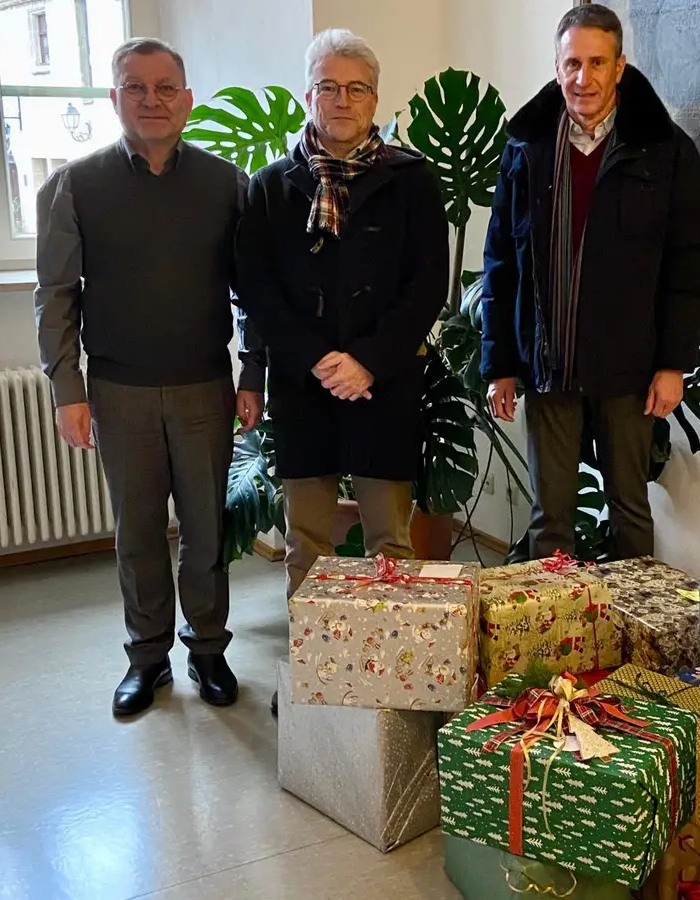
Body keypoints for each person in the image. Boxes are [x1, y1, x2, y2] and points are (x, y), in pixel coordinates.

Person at [36, 38, 259, 718]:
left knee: (205, 529)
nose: (153, 100)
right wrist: (67, 391)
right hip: (118, 391)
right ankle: (147, 659)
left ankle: (208, 650)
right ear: (114, 99)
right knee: (136, 532)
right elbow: (56, 295)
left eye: (166, 88)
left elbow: (251, 293)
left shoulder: (228, 185)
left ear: (187, 100)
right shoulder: (76, 185)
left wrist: (252, 373)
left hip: (203, 387)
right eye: (137, 87)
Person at [234, 28, 449, 715]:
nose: (342, 99)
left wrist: (367, 363)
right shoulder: (271, 187)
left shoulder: (412, 179)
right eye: (328, 85)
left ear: (375, 99)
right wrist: (315, 359)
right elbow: (258, 289)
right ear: (309, 94)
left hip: (383, 386)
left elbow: (426, 287)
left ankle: (395, 672)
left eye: (356, 87)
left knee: (390, 538)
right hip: (305, 390)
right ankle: (314, 674)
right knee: (309, 543)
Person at [479, 4, 700, 561]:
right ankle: (552, 642)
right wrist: (500, 363)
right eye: (572, 63)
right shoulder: (525, 148)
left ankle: (636, 637)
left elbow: (686, 262)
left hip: (628, 367)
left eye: (598, 63)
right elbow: (501, 262)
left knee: (630, 507)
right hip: (547, 362)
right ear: (557, 67)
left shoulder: (666, 150)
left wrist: (674, 364)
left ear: (620, 66)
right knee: (550, 517)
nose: (584, 78)